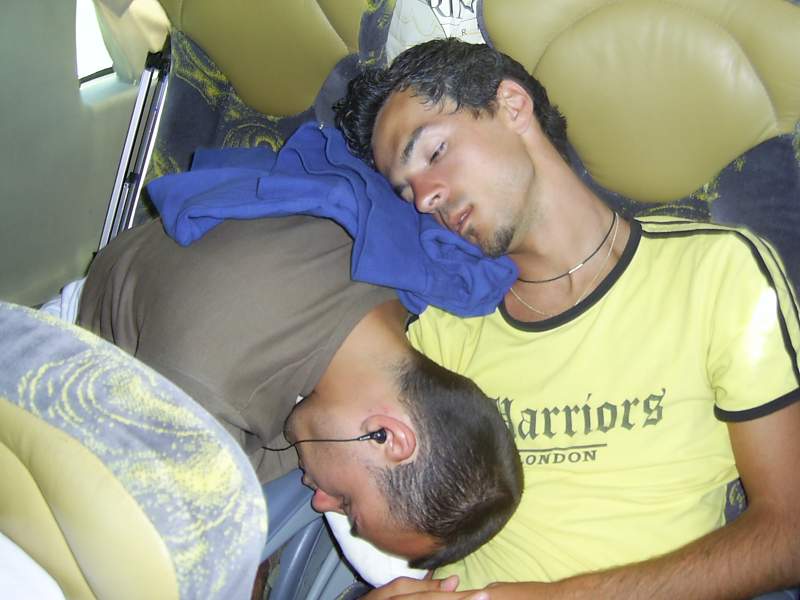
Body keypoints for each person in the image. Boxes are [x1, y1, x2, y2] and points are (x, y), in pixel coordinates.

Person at [334, 38, 800, 598]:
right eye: (407, 189)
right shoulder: (445, 318)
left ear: (512, 105)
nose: (425, 198)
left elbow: (788, 534)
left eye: (433, 154)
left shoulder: (716, 271)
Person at [77, 213, 523, 569]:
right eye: (347, 503)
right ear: (387, 436)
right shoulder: (206, 388)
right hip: (86, 354)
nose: (321, 500)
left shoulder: (402, 267)